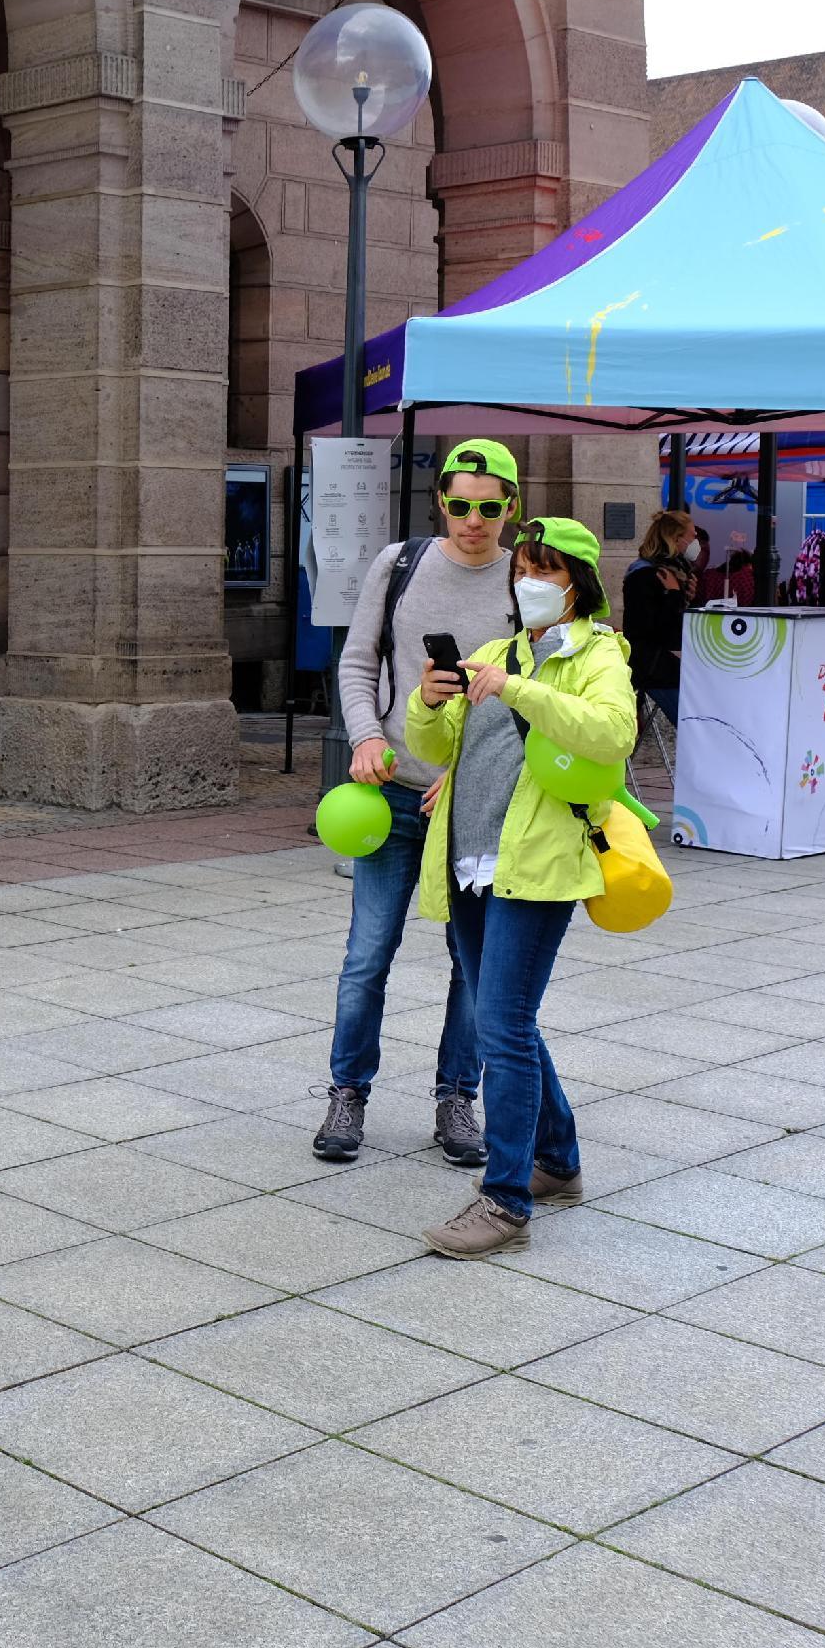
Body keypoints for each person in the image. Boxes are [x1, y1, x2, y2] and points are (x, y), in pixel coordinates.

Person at [404, 516, 633, 1260]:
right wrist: (431, 701)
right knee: (511, 1021)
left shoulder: (600, 655)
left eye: (548, 571)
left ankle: (504, 1202)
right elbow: (435, 748)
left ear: (579, 584)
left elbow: (609, 734)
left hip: (536, 866)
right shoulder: (497, 653)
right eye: (525, 568)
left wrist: (522, 692)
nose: (530, 581)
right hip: (470, 856)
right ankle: (557, 1163)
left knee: (500, 1026)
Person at [318, 438, 524, 1168]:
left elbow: (533, 701)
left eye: (490, 507)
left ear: (511, 507)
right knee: (368, 954)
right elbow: (356, 659)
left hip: (474, 806)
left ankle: (455, 1099)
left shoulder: (522, 584)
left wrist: (468, 772)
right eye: (461, 504)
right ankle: (348, 1093)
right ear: (442, 500)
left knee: (472, 963)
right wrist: (367, 734)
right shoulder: (399, 563)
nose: (474, 519)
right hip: (393, 796)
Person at [622, 508, 697, 733]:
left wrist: (686, 597)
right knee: (693, 722)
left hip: (665, 663)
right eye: (692, 536)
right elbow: (662, 630)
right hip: (653, 666)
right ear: (676, 538)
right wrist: (674, 595)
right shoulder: (646, 575)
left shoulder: (676, 572)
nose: (696, 542)